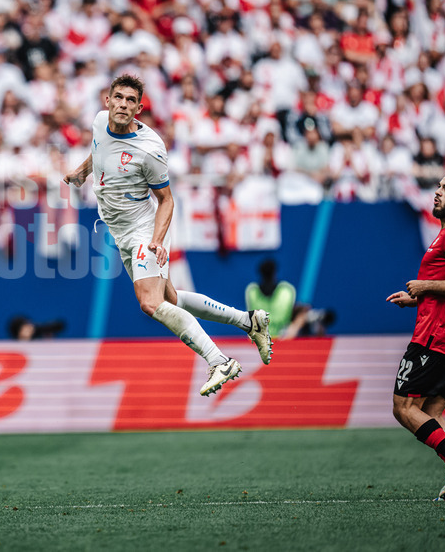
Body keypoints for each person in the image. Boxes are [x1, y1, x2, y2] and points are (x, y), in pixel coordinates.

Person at [63, 74, 272, 397]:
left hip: (144, 230)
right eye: (118, 97)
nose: (122, 104)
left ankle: (218, 359)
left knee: (150, 303)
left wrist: (157, 241)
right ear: (107, 101)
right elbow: (99, 149)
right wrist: (81, 172)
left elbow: (166, 200)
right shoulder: (99, 122)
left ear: (139, 108)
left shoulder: (150, 149)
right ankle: (249, 321)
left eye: (130, 100)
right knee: (172, 299)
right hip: (120, 232)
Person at [386, 171, 445, 501]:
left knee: (404, 407)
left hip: (433, 337)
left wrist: (424, 286)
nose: (437, 193)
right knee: (433, 412)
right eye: (438, 187)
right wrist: (417, 298)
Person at [245, 259, 296, 340]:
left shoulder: (251, 291)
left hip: (275, 342)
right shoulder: (287, 291)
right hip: (264, 342)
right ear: (275, 273)